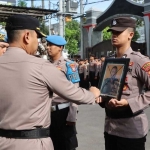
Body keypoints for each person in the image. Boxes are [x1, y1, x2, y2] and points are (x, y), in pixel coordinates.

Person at [0, 14, 101, 150]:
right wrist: (93, 94)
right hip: (31, 142)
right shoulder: (41, 66)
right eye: (38, 38)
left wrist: (71, 116)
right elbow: (74, 93)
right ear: (27, 36)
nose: (42, 44)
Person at [99, 17, 150, 150]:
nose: (114, 36)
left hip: (131, 129)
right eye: (112, 32)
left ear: (130, 35)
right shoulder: (109, 61)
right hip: (110, 127)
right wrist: (101, 98)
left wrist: (130, 103)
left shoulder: (139, 61)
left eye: (118, 32)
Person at [46, 35, 79, 150]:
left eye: (51, 45)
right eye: (47, 45)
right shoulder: (45, 65)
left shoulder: (68, 65)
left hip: (63, 113)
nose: (48, 47)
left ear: (60, 47)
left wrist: (72, 115)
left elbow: (75, 92)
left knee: (66, 145)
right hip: (48, 113)